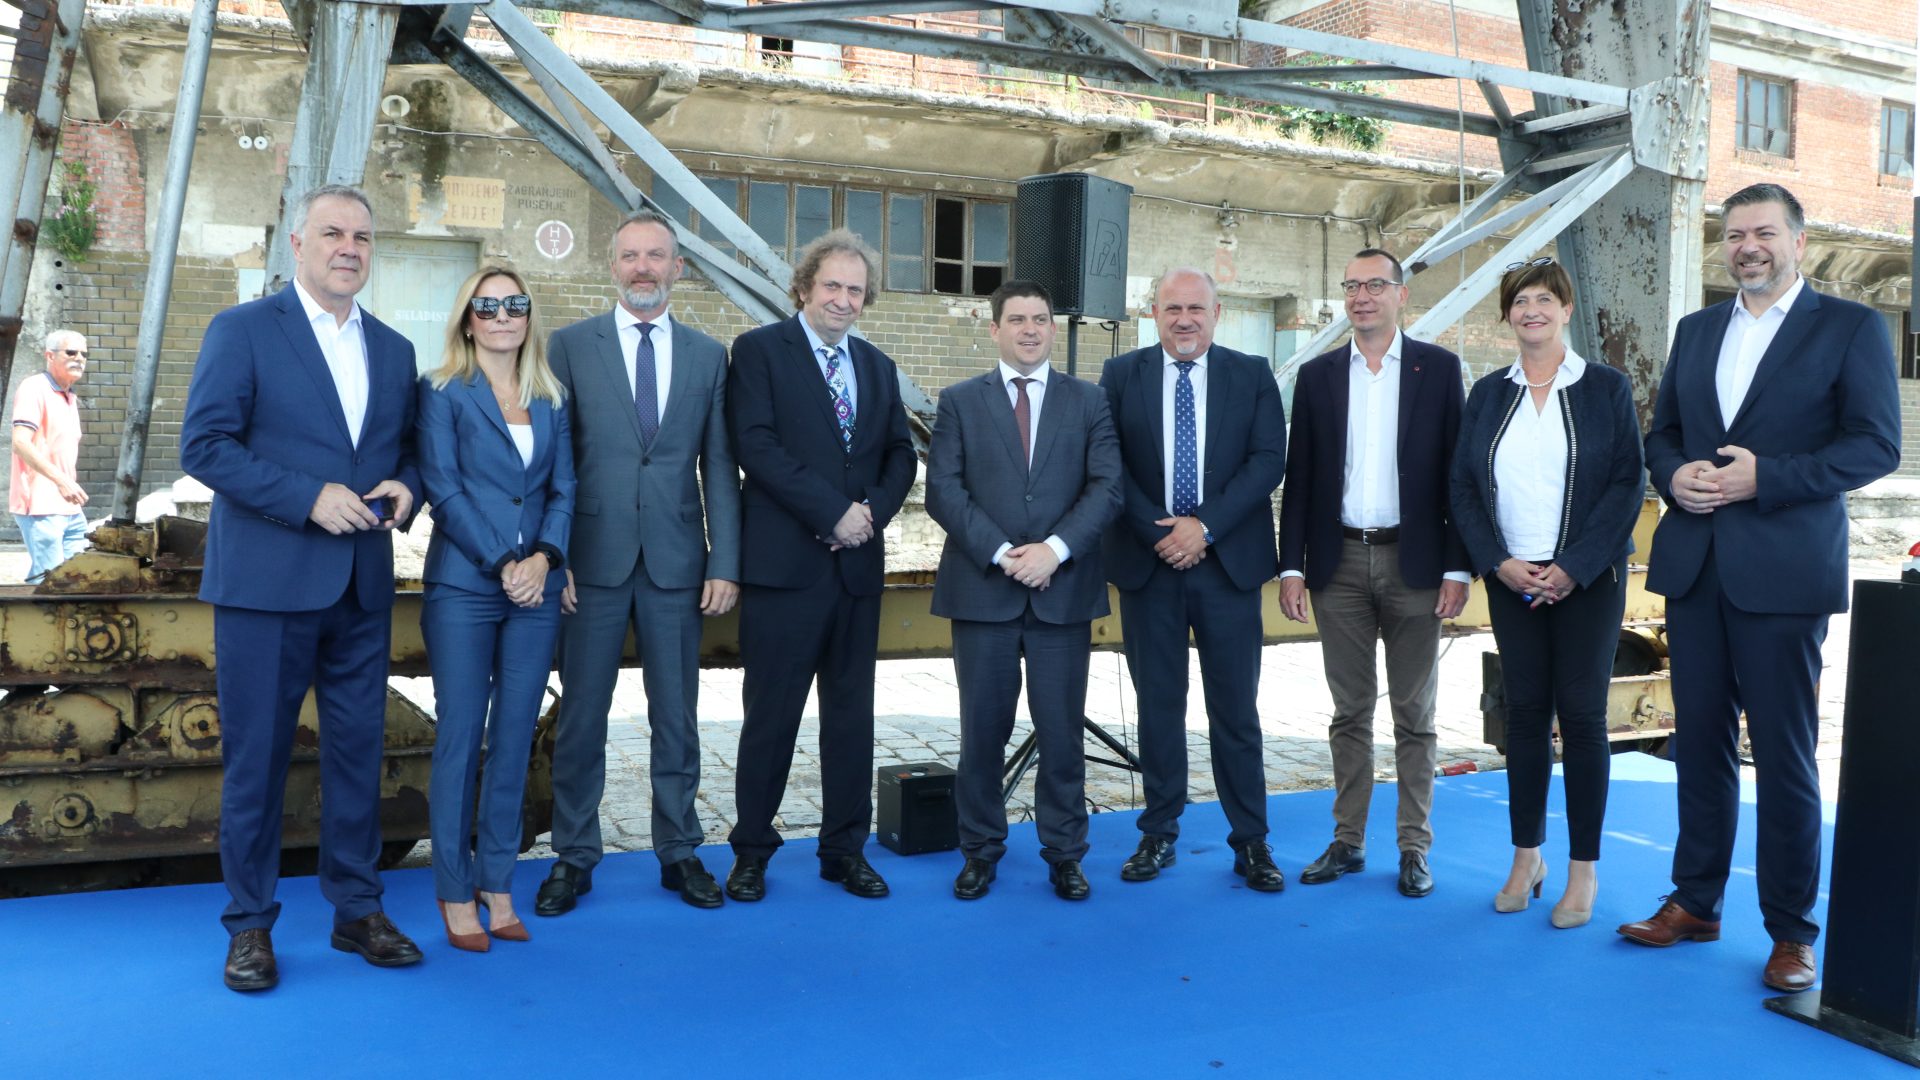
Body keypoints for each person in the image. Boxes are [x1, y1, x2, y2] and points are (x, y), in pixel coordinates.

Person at [1621, 184, 1901, 991]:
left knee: (1782, 754)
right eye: (1735, 232)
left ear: (1798, 242)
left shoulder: (1849, 327)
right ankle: (1695, 902)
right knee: (1697, 744)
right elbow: (1664, 433)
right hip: (1696, 568)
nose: (1748, 245)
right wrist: (1676, 475)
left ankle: (1790, 930)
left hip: (1783, 573)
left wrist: (1765, 479)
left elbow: (1875, 446)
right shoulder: (1698, 328)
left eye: (1764, 232)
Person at [180, 184, 424, 991]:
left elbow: (409, 451)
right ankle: (249, 924)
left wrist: (408, 487)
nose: (348, 247)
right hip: (266, 585)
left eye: (362, 236)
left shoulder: (393, 349)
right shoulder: (244, 329)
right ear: (297, 244)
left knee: (358, 756)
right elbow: (204, 445)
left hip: (360, 587)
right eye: (332, 233)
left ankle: (357, 909)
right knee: (257, 761)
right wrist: (305, 497)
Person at [535, 208, 739, 917]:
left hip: (678, 565)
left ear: (677, 267)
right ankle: (573, 855)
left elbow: (720, 467)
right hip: (589, 564)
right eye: (631, 255)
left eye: (656, 256)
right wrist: (554, 555)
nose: (643, 267)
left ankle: (679, 850)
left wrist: (725, 560)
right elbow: (554, 462)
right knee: (582, 717)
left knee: (677, 718)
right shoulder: (569, 346)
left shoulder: (709, 355)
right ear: (613, 265)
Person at [1449, 258, 1644, 927]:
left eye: (1543, 299)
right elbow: (1463, 486)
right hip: (1513, 580)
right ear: (1508, 315)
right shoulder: (1488, 393)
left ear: (1565, 310)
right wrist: (1497, 562)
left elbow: (1627, 483)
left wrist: (1574, 566)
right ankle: (1526, 857)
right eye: (1519, 301)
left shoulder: (1605, 388)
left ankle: (1582, 870)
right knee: (1525, 716)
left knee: (1583, 719)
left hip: (1586, 580)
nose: (1531, 310)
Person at [725, 229, 916, 902]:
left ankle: (844, 851)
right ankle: (752, 851)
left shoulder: (877, 366)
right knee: (771, 718)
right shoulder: (758, 352)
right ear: (804, 287)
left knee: (851, 721)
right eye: (831, 285)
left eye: (855, 290)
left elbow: (901, 454)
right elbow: (755, 445)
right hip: (786, 571)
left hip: (856, 572)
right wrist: (831, 512)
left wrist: (869, 514)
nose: (843, 299)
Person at [1277, 249, 1470, 898]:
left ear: (1400, 295)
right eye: (1352, 286)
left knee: (1416, 715)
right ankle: (1348, 840)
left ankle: (1414, 847)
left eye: (1375, 285)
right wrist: (1292, 566)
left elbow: (1457, 476)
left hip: (1415, 563)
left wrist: (1457, 565)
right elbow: (1300, 477)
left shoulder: (1438, 370)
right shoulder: (1319, 376)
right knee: (1349, 712)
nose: (1362, 297)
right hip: (1337, 564)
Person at [925, 280, 1122, 902]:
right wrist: (1003, 553)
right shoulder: (959, 401)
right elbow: (944, 490)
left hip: (1062, 591)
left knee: (1062, 734)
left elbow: (1108, 487)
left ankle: (1065, 854)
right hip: (983, 591)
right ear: (995, 329)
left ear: (1053, 329)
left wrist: (1054, 550)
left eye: (1040, 319)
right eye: (1017, 319)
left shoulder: (1089, 401)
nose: (1030, 329)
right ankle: (980, 851)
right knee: (982, 734)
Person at [1100, 267, 1288, 892]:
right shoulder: (1120, 375)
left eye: (1196, 309)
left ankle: (1251, 840)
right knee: (1158, 707)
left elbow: (1268, 461)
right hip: (1149, 565)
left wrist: (1202, 528)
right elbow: (1110, 466)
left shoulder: (1252, 374)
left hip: (1227, 567)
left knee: (1235, 709)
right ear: (1153, 312)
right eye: (1172, 308)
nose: (1184, 320)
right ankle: (1158, 832)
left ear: (1217, 312)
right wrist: (1162, 534)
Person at [416, 266, 575, 951]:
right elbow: (444, 490)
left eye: (515, 303)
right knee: (462, 739)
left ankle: (497, 882)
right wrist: (505, 562)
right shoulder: (442, 390)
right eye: (488, 306)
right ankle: (454, 891)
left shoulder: (551, 396)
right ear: (468, 318)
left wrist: (545, 558)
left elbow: (564, 489)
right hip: (465, 587)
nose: (503, 315)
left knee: (514, 738)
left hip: (536, 591)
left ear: (529, 315)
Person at [10, 329, 90, 582]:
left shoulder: (69, 396)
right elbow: (20, 442)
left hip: (69, 506)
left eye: (84, 354)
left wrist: (67, 485)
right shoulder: (34, 388)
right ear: (50, 356)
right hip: (40, 505)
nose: (79, 358)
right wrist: (62, 481)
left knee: (77, 579)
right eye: (71, 352)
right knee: (49, 582)